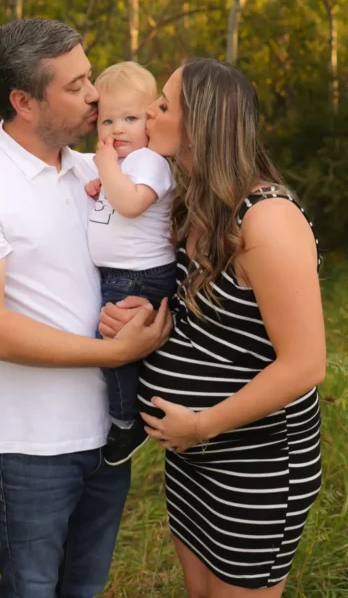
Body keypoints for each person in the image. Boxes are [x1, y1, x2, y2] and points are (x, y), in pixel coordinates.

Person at [0, 18, 172, 598]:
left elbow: (141, 259)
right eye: (75, 85)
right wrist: (113, 349)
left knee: (84, 589)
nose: (94, 95)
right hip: (29, 446)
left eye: (91, 77)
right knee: (32, 588)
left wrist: (139, 312)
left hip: (109, 439)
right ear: (24, 101)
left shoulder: (98, 173)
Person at [99, 57, 326, 597]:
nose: (147, 114)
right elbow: (213, 325)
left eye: (162, 105)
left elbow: (305, 363)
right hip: (191, 455)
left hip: (256, 461)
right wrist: (145, 320)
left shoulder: (268, 219)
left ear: (199, 122)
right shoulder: (197, 206)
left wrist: (202, 426)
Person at [84, 61, 178, 466]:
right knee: (119, 340)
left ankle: (127, 421)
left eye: (130, 118)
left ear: (150, 122)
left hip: (139, 275)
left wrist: (104, 169)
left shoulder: (150, 161)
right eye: (107, 120)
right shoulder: (124, 166)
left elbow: (132, 203)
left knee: (115, 345)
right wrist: (101, 183)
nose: (117, 129)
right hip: (123, 274)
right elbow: (115, 198)